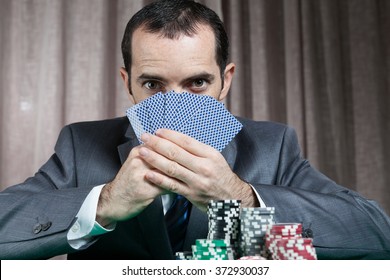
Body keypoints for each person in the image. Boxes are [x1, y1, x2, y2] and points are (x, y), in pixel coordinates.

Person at [0, 0, 389, 260]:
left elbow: (376, 234)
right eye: (153, 84)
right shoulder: (82, 145)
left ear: (226, 80)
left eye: (197, 83)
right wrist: (105, 204)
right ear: (127, 82)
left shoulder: (272, 146)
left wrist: (239, 198)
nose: (175, 104)